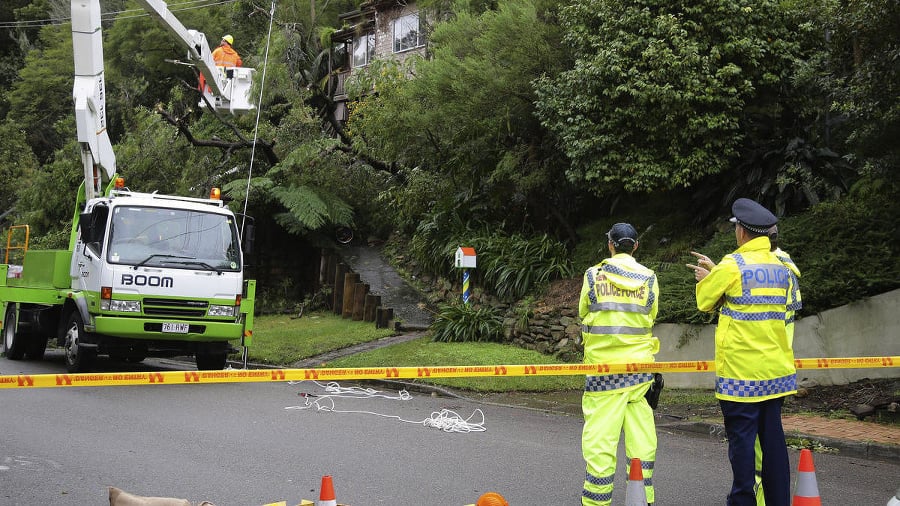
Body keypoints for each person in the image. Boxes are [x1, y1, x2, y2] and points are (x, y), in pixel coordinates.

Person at [686, 198, 796, 506]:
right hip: (775, 374)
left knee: (742, 447)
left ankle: (742, 501)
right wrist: (717, 276)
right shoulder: (782, 267)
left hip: (740, 378)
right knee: (773, 445)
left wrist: (708, 279)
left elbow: (706, 302)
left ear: (743, 233)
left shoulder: (733, 264)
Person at [579, 222, 660, 506]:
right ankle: (643, 497)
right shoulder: (649, 278)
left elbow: (583, 312)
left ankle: (597, 501)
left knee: (600, 441)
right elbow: (651, 316)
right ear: (635, 246)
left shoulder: (593, 276)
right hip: (639, 373)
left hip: (603, 375)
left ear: (610, 245)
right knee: (642, 439)